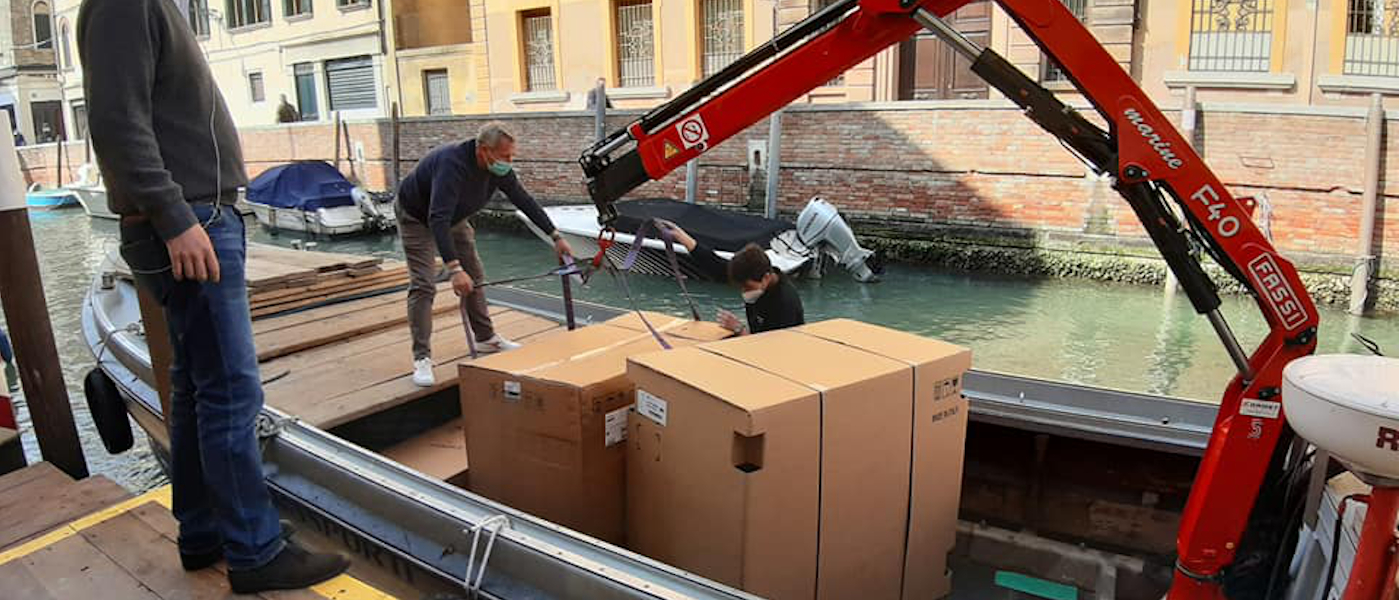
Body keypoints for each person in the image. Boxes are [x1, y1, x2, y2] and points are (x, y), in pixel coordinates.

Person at [78, 0, 349, 593]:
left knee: (198, 387)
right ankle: (256, 550)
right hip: (190, 217)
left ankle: (202, 532)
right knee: (230, 387)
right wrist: (175, 217)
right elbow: (116, 122)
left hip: (196, 212)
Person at [396, 121, 573, 387]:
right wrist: (454, 269)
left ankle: (485, 338)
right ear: (483, 150)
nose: (509, 162)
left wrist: (555, 236)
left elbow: (523, 200)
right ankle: (421, 357)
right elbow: (437, 217)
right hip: (417, 216)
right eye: (504, 156)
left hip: (455, 218)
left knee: (475, 275)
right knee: (423, 285)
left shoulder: (498, 169)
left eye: (512, 155)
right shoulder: (452, 164)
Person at [660, 221, 804, 335]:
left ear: (766, 278)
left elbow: (771, 349)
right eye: (741, 287)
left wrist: (739, 328)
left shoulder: (785, 303)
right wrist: (681, 236)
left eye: (747, 287)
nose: (744, 292)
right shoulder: (752, 275)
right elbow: (713, 264)